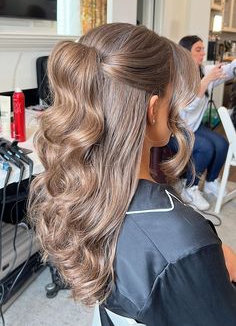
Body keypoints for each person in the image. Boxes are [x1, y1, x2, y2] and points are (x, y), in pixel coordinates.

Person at [28, 24, 236, 325]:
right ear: (153, 110)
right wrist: (214, 264)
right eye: (171, 98)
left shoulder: (77, 192)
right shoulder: (185, 244)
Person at [173, 35, 236, 211]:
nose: (203, 53)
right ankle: (189, 187)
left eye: (203, 49)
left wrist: (230, 67)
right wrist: (207, 80)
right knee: (207, 147)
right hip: (177, 129)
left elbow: (228, 70)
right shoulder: (178, 77)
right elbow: (189, 106)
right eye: (198, 49)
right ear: (186, 52)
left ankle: (210, 182)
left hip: (195, 126)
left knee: (222, 144)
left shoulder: (203, 71)